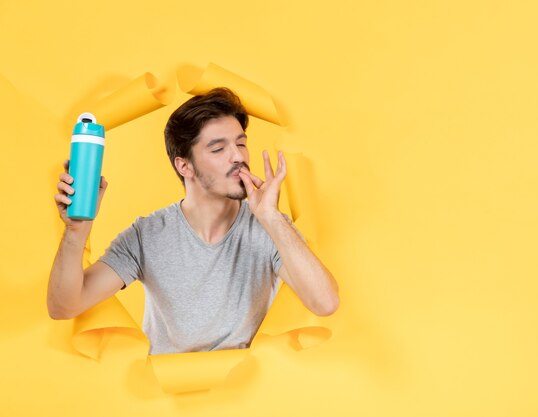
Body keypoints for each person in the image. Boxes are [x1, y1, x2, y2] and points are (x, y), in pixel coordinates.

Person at [48, 88, 339, 355]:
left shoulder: (268, 226)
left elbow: (324, 303)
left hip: (246, 394)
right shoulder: (146, 235)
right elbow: (64, 306)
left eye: (241, 143)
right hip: (169, 396)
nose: (238, 156)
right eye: (218, 149)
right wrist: (76, 230)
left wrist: (272, 218)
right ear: (184, 165)